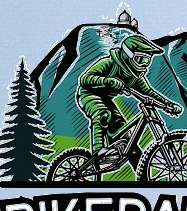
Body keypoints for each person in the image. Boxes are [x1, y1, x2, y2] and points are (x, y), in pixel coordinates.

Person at [72, 13, 178, 175]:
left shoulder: (134, 76)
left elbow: (149, 92)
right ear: (128, 55)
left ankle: (142, 176)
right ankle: (99, 151)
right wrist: (108, 81)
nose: (144, 66)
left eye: (147, 61)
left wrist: (167, 105)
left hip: (106, 98)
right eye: (140, 59)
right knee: (102, 113)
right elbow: (85, 79)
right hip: (89, 94)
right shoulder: (109, 63)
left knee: (129, 142)